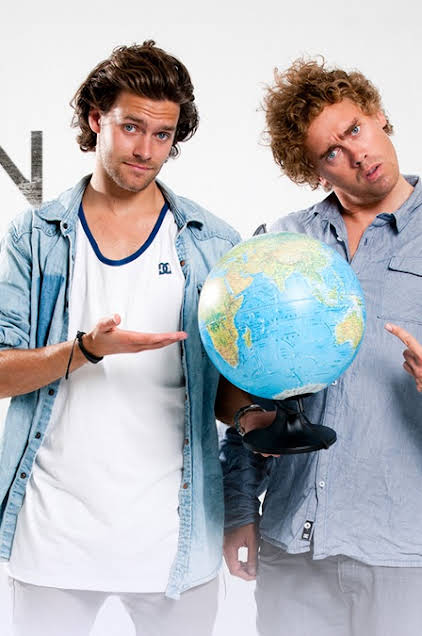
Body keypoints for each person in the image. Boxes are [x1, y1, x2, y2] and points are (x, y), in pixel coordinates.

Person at [0, 40, 240, 636]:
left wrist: (266, 409)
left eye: (163, 135)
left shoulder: (214, 243)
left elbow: (227, 397)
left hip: (174, 540)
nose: (146, 150)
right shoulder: (37, 235)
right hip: (52, 537)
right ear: (95, 118)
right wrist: (83, 351)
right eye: (131, 127)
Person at [218, 58, 422, 636]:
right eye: (332, 151)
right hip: (294, 545)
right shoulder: (281, 243)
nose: (357, 154)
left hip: (406, 553)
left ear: (380, 116)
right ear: (312, 171)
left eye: (356, 129)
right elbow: (249, 389)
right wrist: (240, 508)